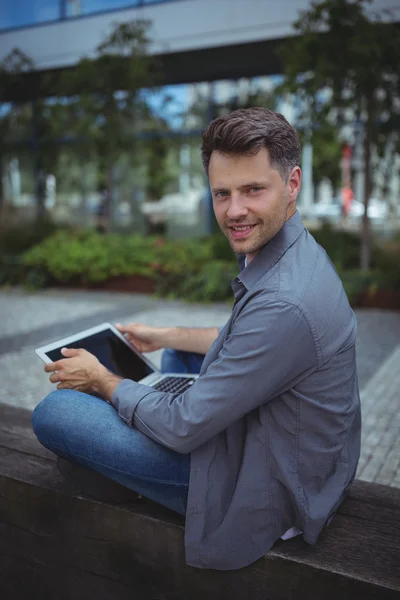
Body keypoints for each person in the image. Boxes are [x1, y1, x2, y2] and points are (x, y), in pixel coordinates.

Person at [32, 107, 361, 571]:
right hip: (294, 453)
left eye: (252, 190)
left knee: (55, 413)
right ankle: (119, 466)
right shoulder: (294, 251)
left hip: (264, 491)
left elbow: (186, 426)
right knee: (175, 353)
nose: (234, 210)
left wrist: (103, 380)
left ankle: (119, 476)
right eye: (221, 194)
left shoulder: (286, 302)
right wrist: (165, 334)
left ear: (292, 184)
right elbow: (246, 342)